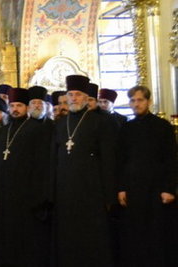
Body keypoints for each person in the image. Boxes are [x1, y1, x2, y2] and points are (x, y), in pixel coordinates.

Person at [51, 75, 118, 267]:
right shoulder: (61, 124)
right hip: (65, 193)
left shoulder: (100, 122)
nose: (73, 98)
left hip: (92, 192)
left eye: (78, 95)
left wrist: (108, 196)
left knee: (92, 239)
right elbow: (54, 159)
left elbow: (109, 160)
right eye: (70, 94)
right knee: (68, 237)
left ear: (86, 97)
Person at [117, 85, 177, 267]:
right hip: (134, 189)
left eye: (140, 100)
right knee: (135, 234)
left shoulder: (163, 127)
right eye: (133, 100)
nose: (136, 104)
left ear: (149, 101)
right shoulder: (126, 128)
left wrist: (168, 189)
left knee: (156, 234)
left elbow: (171, 160)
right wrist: (121, 188)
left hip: (156, 189)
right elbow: (121, 160)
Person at [0, 87, 51, 267]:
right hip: (5, 191)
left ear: (26, 107)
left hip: (26, 194)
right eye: (12, 106)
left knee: (25, 236)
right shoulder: (6, 129)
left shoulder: (36, 129)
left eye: (19, 105)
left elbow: (42, 164)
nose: (15, 109)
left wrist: (37, 195)